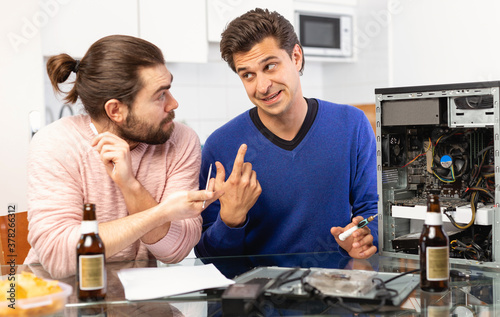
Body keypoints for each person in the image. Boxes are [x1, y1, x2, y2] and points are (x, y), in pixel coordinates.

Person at [25, 35, 221, 278]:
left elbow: (175, 251)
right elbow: (59, 258)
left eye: (169, 89)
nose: (174, 103)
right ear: (115, 110)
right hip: (57, 302)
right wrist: (161, 213)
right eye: (160, 95)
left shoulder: (180, 140)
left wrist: (130, 186)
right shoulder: (55, 143)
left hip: (138, 304)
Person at [195, 8, 378, 260]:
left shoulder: (352, 124)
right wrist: (230, 221)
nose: (262, 86)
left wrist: (365, 237)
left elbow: (373, 212)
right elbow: (207, 256)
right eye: (248, 75)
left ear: (296, 57)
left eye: (270, 66)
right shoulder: (221, 146)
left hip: (336, 291)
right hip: (256, 294)